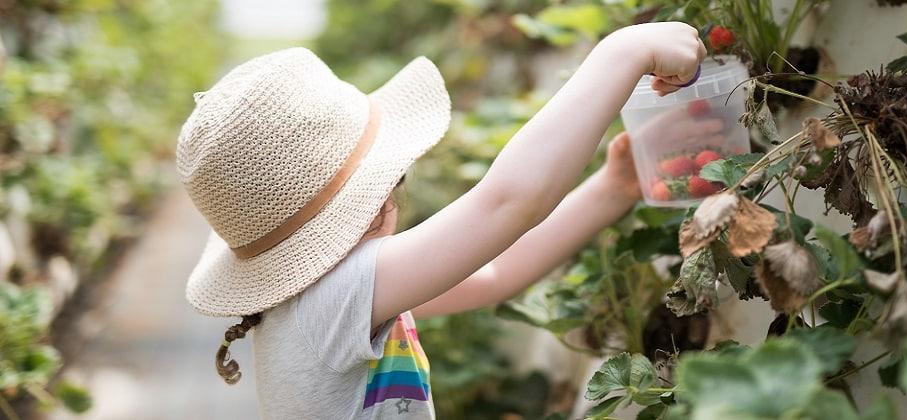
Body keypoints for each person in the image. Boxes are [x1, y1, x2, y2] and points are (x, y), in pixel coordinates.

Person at [176, 21, 707, 419]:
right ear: (375, 196)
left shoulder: (320, 301)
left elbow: (497, 274)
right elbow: (506, 204)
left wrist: (610, 189)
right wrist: (624, 51)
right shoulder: (337, 297)